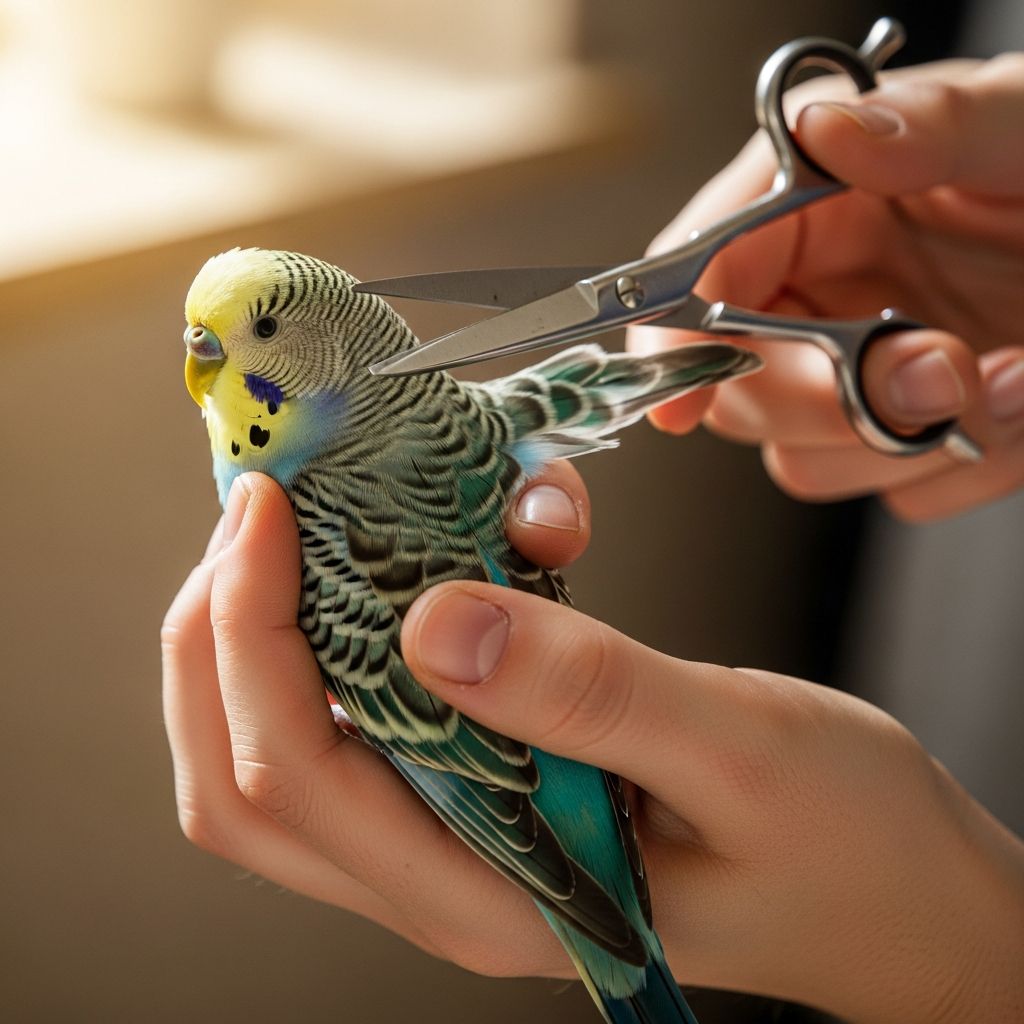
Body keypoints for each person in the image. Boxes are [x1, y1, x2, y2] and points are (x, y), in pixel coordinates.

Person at [162, 58, 1024, 1023]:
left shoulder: (335, 484)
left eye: (256, 329)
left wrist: (968, 956)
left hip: (514, 772)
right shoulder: (382, 450)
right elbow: (567, 404)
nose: (203, 348)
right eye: (204, 333)